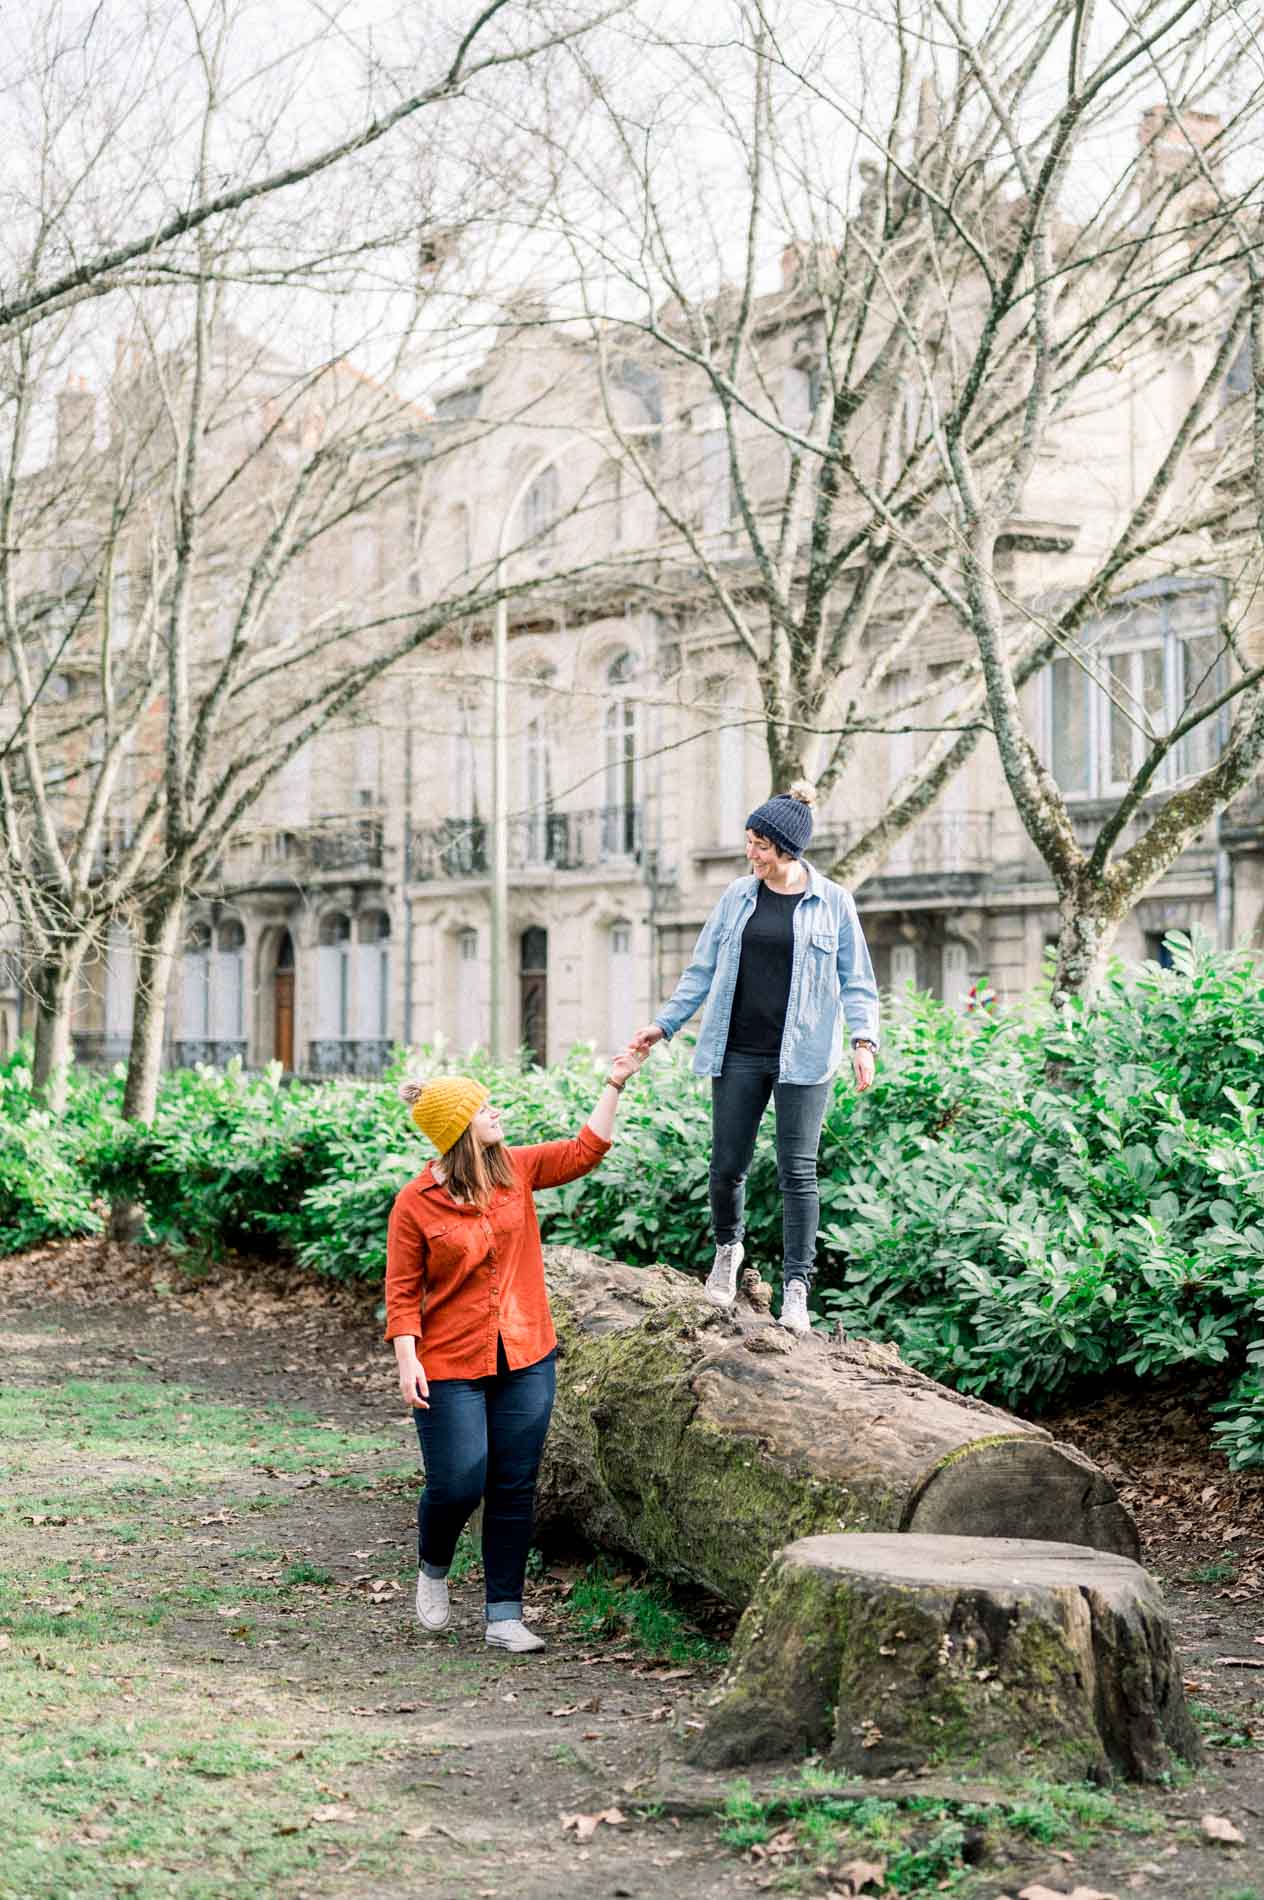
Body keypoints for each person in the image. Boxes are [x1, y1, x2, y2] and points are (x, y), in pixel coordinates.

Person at [385, 1054, 642, 1653]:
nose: (495, 1111)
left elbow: (585, 1150)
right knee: (458, 1481)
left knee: (513, 1484)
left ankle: (504, 1614)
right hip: (448, 1362)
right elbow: (401, 1291)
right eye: (483, 1107)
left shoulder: (516, 1172)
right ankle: (433, 1563)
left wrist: (615, 1083)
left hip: (527, 1355)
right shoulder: (415, 1203)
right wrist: (407, 1359)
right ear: (459, 1129)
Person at [630, 782, 879, 1334]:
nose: (752, 854)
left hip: (806, 1056)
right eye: (749, 842)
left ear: (788, 848)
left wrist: (865, 1042)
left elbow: (857, 981)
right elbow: (701, 969)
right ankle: (728, 1249)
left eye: (761, 845)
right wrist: (664, 1023)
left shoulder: (833, 902)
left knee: (798, 1174)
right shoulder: (738, 896)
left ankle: (796, 1288)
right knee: (726, 1167)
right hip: (738, 1050)